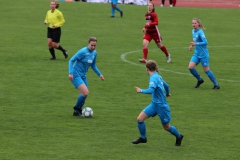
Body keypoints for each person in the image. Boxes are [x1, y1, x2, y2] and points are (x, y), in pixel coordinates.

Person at [132, 60, 183, 146]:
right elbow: (166, 86)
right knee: (140, 119)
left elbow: (151, 90)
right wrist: (167, 93)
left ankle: (179, 136)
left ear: (147, 69)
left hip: (162, 107)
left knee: (166, 127)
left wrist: (140, 90)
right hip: (154, 104)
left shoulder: (153, 78)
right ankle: (143, 138)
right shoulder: (157, 75)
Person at [68, 37, 104, 116]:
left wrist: (100, 74)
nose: (93, 47)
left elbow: (93, 65)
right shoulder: (83, 51)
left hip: (83, 76)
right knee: (85, 93)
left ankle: (76, 112)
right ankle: (77, 108)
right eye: (92, 45)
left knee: (84, 95)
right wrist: (70, 73)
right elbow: (71, 60)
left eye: (95, 46)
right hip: (75, 75)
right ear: (88, 44)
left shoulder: (94, 53)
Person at [188, 18, 220, 89]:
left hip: (203, 54)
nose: (194, 25)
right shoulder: (193, 31)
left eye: (195, 23)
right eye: (193, 23)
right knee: (190, 67)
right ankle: (200, 80)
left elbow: (205, 42)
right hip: (196, 54)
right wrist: (191, 46)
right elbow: (195, 41)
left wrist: (196, 44)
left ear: (198, 24)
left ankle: (216, 85)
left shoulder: (200, 32)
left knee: (206, 70)